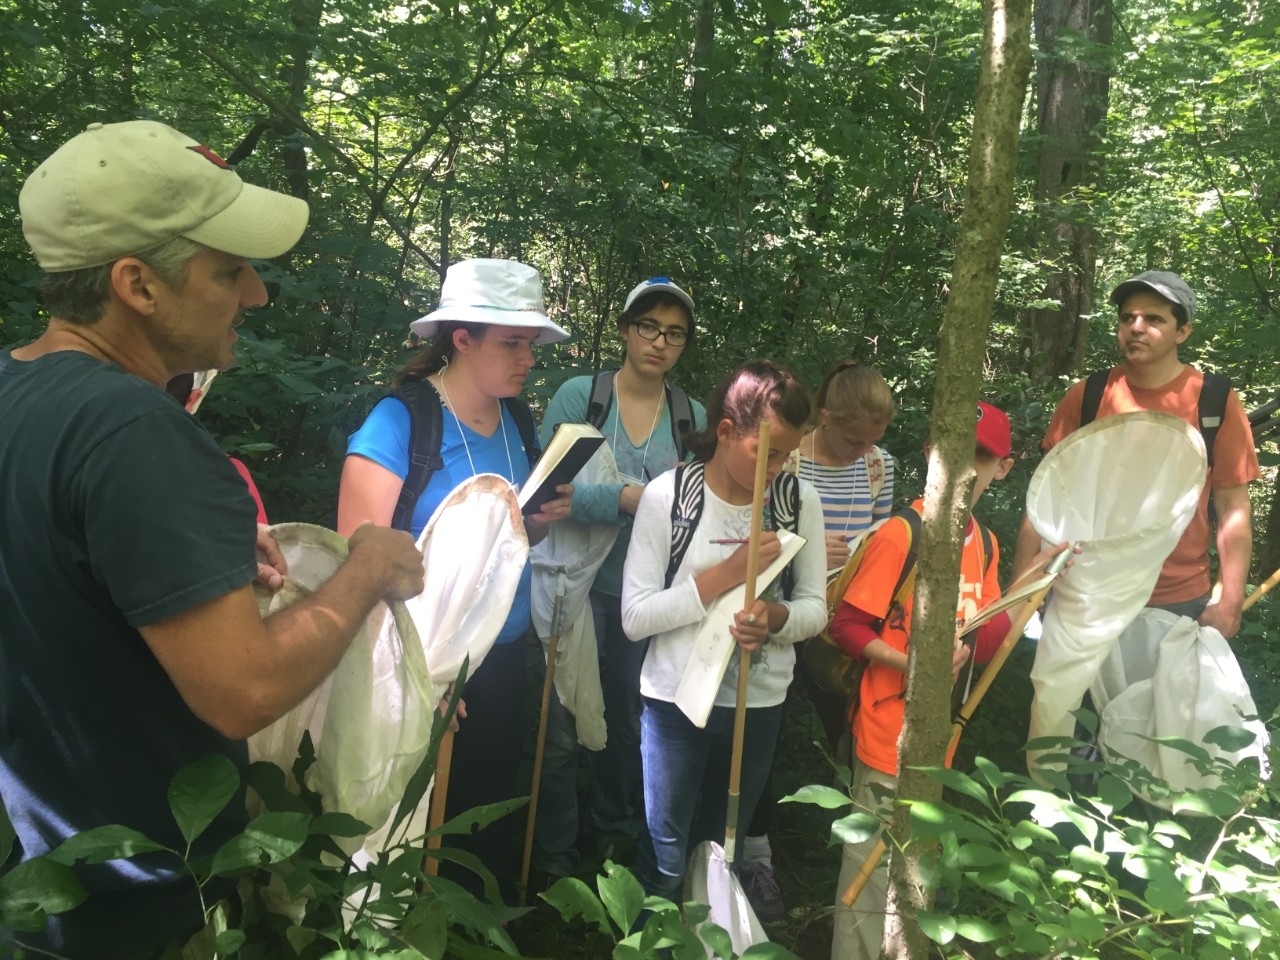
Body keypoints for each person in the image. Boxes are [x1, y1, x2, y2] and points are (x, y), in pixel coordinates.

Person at [0, 120, 424, 960]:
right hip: (142, 913)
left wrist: (196, 550)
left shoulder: (18, 395)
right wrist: (369, 566)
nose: (255, 294)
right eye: (228, 270)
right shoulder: (138, 432)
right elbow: (244, 690)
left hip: (39, 892)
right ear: (137, 285)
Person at [336, 257, 574, 904]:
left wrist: (538, 523)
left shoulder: (517, 420)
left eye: (531, 343)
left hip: (501, 654)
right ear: (462, 339)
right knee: (403, 824)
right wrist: (416, 678)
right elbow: (353, 566)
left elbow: (511, 544)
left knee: (481, 815)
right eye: (513, 343)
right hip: (418, 663)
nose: (529, 359)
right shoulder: (400, 422)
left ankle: (475, 926)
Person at [829, 402, 1066, 960]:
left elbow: (984, 636)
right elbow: (846, 625)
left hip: (939, 740)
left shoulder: (984, 543)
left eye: (981, 456)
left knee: (913, 880)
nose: (965, 467)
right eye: (953, 452)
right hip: (886, 733)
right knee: (866, 882)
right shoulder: (902, 533)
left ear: (1002, 468)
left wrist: (1039, 579)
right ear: (931, 453)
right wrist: (911, 664)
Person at [620, 361, 828, 903]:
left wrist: (775, 620)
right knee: (665, 858)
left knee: (721, 853)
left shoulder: (797, 501)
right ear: (727, 431)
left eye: (788, 455)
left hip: (757, 703)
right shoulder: (668, 497)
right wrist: (727, 575)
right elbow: (635, 617)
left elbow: (815, 608)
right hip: (673, 700)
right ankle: (648, 935)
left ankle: (709, 934)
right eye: (767, 453)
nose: (778, 469)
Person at [530, 277, 706, 880]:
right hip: (568, 584)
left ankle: (613, 832)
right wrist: (627, 499)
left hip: (644, 594)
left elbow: (694, 504)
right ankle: (553, 854)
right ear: (627, 330)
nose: (659, 342)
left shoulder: (689, 415)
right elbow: (546, 490)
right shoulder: (582, 398)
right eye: (649, 327)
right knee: (559, 720)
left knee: (631, 720)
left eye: (674, 334)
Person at [736, 361, 898, 921]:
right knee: (762, 733)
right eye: (853, 439)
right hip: (783, 613)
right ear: (824, 418)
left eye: (872, 440)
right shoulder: (789, 457)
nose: (862, 451)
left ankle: (857, 846)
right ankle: (755, 849)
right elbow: (752, 529)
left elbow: (885, 538)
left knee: (850, 729)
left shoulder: (878, 466)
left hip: (845, 624)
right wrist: (802, 544)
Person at [1012, 271, 1259, 637]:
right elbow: (1045, 502)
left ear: (1182, 332)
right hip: (1084, 593)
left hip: (1177, 600)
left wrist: (1231, 600)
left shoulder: (1214, 401)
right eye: (1128, 317)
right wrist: (1022, 589)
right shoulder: (1088, 396)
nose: (1136, 328)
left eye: (1154, 319)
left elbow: (1232, 507)